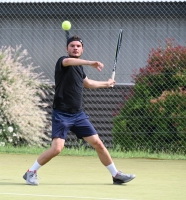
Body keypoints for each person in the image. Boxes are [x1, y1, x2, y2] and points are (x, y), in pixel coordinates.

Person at [23, 35, 135, 185]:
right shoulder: (63, 62)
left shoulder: (79, 67)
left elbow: (87, 83)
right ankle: (31, 172)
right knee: (57, 149)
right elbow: (68, 61)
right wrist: (91, 63)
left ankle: (116, 175)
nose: (75, 48)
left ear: (82, 49)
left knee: (98, 144)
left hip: (78, 115)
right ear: (67, 49)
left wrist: (106, 84)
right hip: (62, 114)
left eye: (78, 46)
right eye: (72, 46)